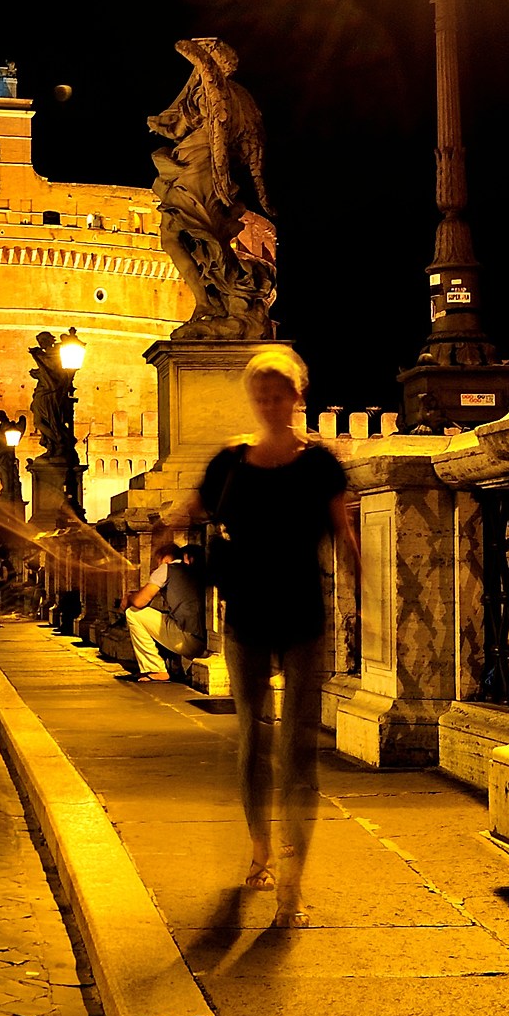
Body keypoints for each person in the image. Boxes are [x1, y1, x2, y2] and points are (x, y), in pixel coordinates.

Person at [143, 345, 356, 929]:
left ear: (296, 397)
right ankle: (261, 850)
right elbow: (190, 511)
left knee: (298, 753)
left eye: (278, 393)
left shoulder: (320, 464)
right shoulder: (230, 463)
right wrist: (166, 529)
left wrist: (363, 593)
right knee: (251, 745)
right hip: (244, 619)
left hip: (303, 616)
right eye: (260, 394)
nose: (268, 402)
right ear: (252, 399)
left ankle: (293, 888)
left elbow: (342, 531)